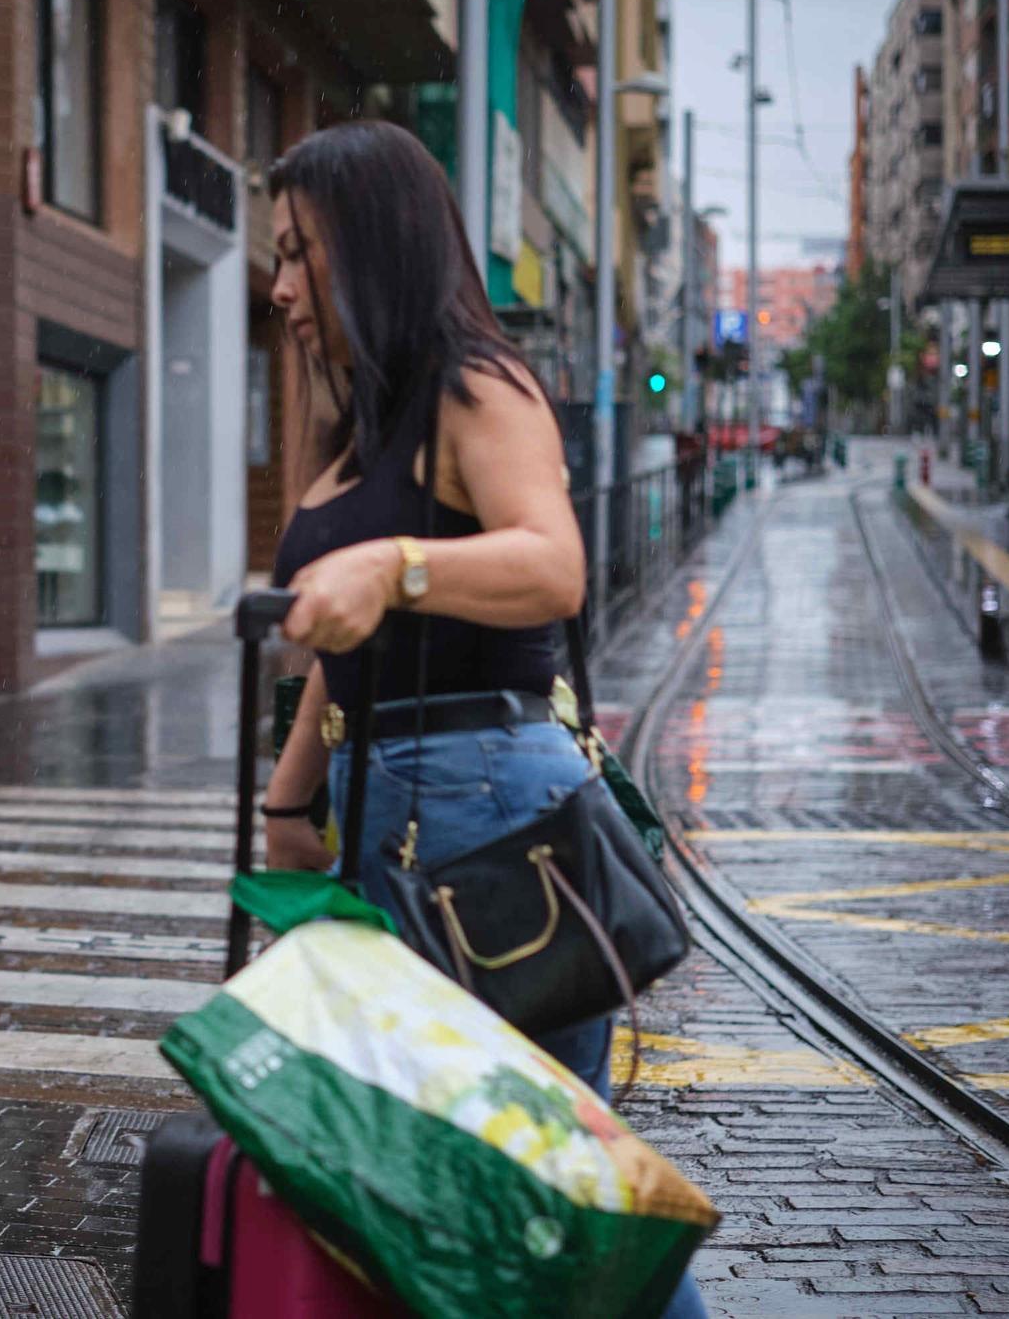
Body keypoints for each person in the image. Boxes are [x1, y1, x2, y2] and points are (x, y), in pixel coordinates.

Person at [257, 122, 708, 1319]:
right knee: (446, 1181)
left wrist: (396, 564)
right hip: (386, 810)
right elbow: (339, 639)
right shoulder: (358, 417)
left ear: (373, 246)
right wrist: (289, 796)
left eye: (300, 255)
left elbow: (552, 567)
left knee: (535, 1176)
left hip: (488, 814)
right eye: (276, 258)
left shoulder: (476, 384)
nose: (280, 286)